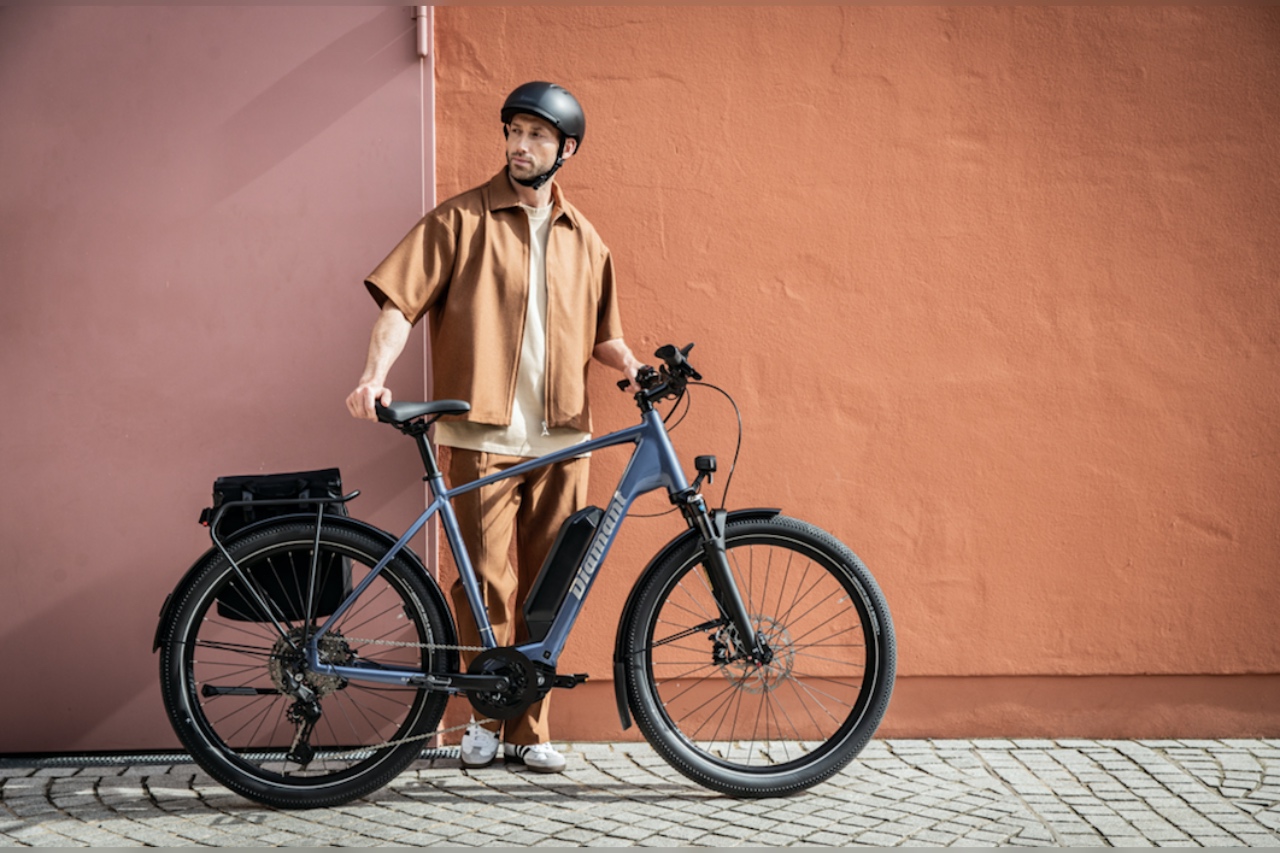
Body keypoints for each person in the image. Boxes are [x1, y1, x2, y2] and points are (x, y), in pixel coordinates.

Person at [345, 81, 642, 774]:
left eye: (537, 135)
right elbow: (398, 305)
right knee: (484, 585)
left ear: (566, 150)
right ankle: (481, 719)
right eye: (514, 131)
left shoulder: (585, 239)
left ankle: (530, 731)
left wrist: (632, 365)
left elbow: (606, 336)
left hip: (565, 440)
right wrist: (373, 375)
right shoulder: (460, 220)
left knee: (550, 591)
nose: (520, 145)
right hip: (481, 436)